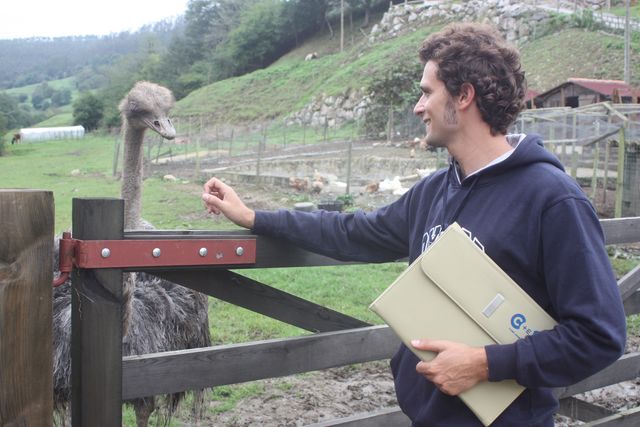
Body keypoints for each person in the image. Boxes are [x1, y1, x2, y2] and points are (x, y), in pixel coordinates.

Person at [202, 23, 626, 426]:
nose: (418, 107)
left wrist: (484, 363)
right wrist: (256, 217)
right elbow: (353, 233)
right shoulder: (435, 191)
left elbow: (599, 336)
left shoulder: (551, 199)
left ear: (463, 96)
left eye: (427, 93)